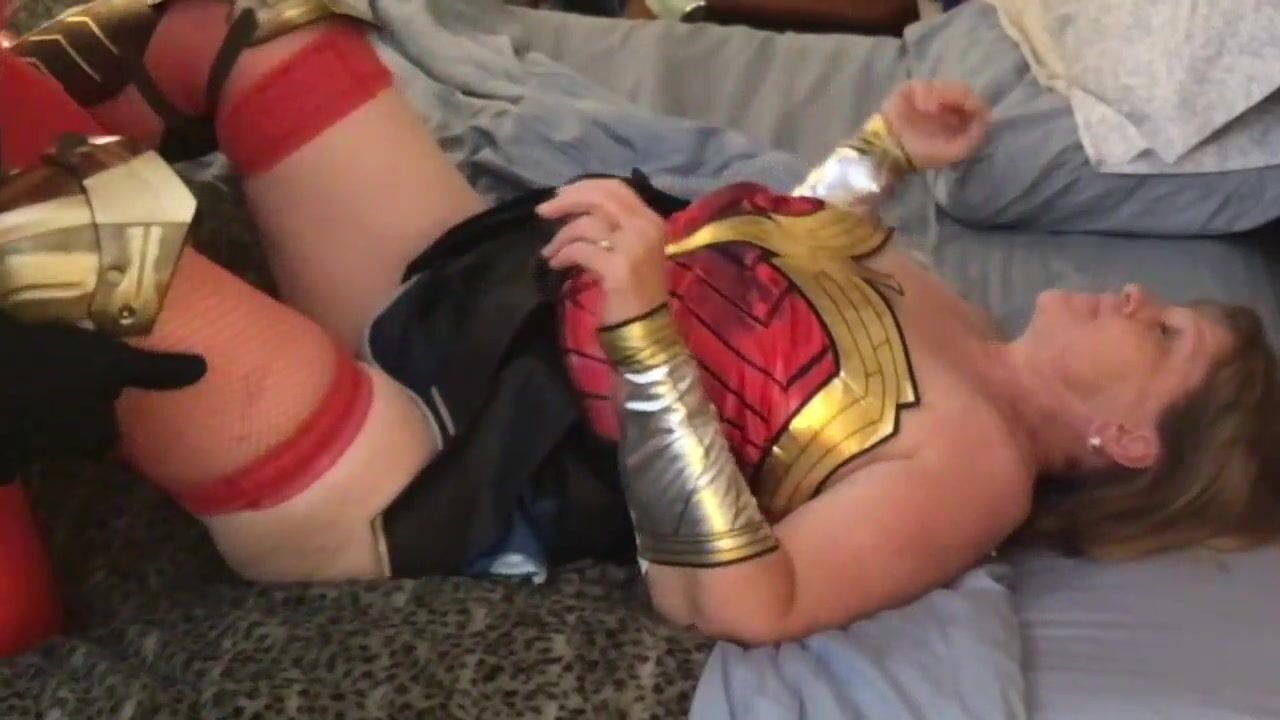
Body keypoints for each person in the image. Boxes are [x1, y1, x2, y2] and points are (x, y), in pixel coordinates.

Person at [3, 0, 1278, 647]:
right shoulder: (953, 308)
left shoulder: (972, 469)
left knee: (78, 244)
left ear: (1127, 441)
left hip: (427, 469)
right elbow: (788, 271)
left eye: (1164, 336)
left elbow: (746, 605)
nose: (1134, 296)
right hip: (461, 298)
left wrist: (643, 336)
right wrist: (887, 151)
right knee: (260, 26)